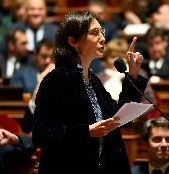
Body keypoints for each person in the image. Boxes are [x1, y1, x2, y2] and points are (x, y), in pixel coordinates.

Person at [32, 11, 147, 174]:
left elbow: (117, 118)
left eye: (102, 32)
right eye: (95, 33)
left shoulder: (93, 79)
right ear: (73, 41)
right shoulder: (57, 79)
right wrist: (86, 131)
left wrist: (133, 76)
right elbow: (41, 134)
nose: (102, 38)